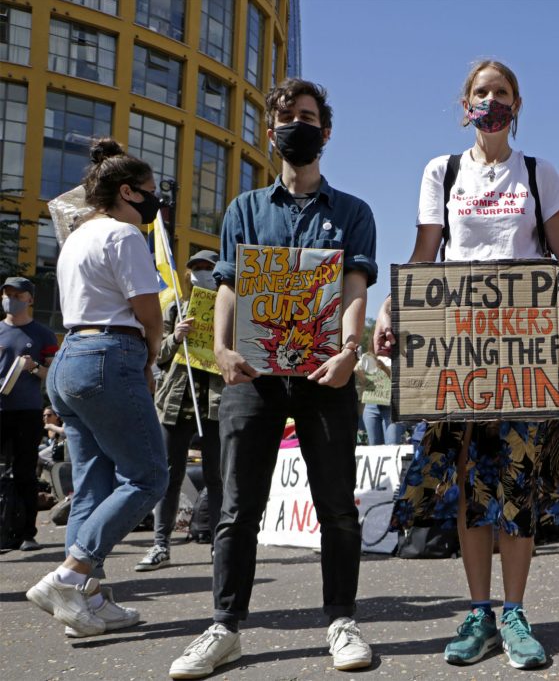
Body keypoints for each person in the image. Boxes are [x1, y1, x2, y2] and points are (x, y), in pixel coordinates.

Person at [377, 60, 559, 670]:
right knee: (470, 485)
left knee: (516, 489)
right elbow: (424, 255)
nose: (492, 100)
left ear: (518, 104)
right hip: (460, 352)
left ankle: (515, 613)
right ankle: (478, 612)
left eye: (503, 92)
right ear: (465, 102)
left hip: (529, 354)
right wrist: (391, 304)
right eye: (482, 91)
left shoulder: (539, 174)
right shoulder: (441, 173)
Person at [169, 78, 377, 679]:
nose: (297, 125)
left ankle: (341, 620)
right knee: (237, 508)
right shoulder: (244, 210)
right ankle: (224, 627)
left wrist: (349, 352)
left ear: (326, 131)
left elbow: (354, 288)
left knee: (337, 507)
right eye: (287, 116)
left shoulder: (353, 213)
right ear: (272, 132)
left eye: (307, 116)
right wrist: (225, 350)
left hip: (325, 377)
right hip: (253, 378)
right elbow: (229, 285)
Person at [25, 139, 168, 637]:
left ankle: (84, 601)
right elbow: (148, 311)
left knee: (92, 483)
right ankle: (70, 576)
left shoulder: (78, 237)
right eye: (152, 193)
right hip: (111, 356)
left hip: (71, 359)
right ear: (127, 191)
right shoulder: (125, 236)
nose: (157, 203)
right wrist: (151, 354)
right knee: (148, 475)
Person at [136, 250, 224, 571]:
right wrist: (176, 336)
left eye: (208, 268)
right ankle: (161, 545)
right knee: (169, 478)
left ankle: (219, 545)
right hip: (177, 403)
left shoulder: (231, 312)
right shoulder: (176, 309)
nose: (201, 273)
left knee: (216, 478)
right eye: (196, 268)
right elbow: (157, 356)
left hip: (215, 406)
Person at [1, 276, 59, 551]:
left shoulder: (44, 335)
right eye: (7, 293)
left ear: (30, 299)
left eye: (18, 294)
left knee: (25, 471)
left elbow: (52, 373)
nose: (11, 299)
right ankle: (3, 530)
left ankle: (27, 533)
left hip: (27, 410)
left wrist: (33, 367)